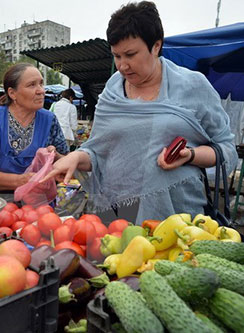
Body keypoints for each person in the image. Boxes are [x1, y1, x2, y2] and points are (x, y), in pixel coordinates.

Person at [41, 1, 237, 224]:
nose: (123, 65)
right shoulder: (112, 91)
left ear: (156, 46)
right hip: (116, 213)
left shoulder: (192, 86)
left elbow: (226, 150)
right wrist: (76, 157)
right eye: (117, 56)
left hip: (177, 217)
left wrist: (189, 156)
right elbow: (99, 153)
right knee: (114, 258)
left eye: (130, 54)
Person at [0, 63, 69, 191]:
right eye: (32, 85)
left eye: (41, 83)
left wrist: (56, 156)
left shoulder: (49, 120)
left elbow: (67, 164)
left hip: (39, 203)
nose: (41, 90)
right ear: (12, 93)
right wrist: (20, 181)